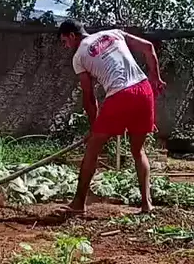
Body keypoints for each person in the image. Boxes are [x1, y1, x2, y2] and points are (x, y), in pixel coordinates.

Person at [55, 19, 166, 216]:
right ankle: (146, 204)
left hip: (120, 94)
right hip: (144, 90)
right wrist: (155, 77)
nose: (66, 46)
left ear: (72, 35)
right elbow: (149, 47)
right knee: (138, 150)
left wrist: (93, 127)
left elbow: (89, 97)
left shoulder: (79, 57)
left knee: (92, 149)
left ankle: (79, 203)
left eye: (65, 41)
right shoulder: (114, 33)